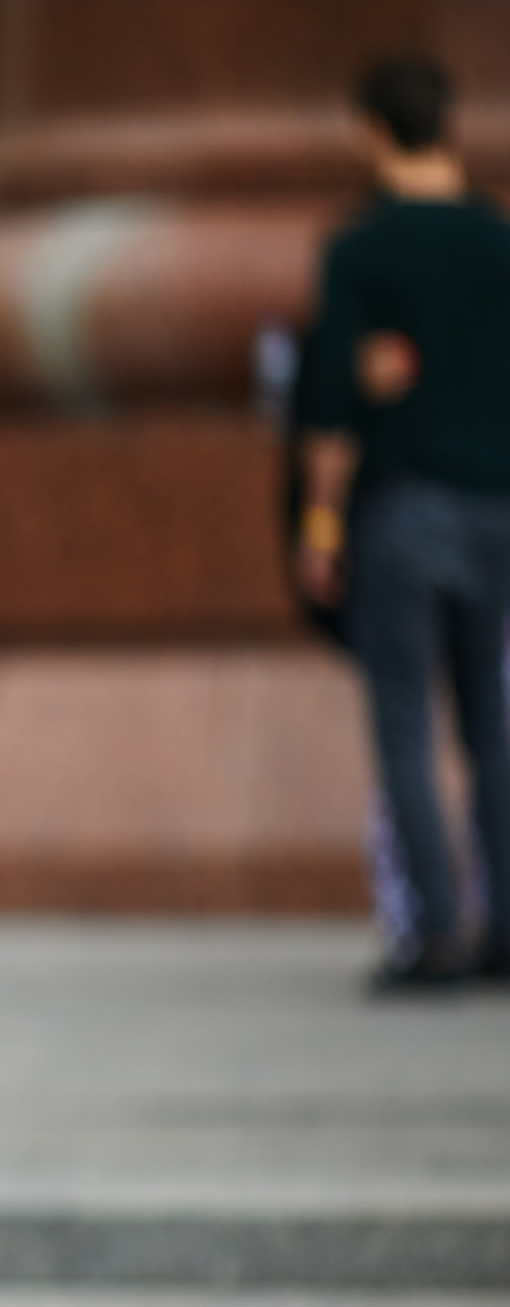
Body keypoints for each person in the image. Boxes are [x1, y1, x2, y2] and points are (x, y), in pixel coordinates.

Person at [293, 57, 510, 985]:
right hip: (498, 504)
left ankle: (432, 932)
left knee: (406, 728)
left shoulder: (362, 248)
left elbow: (331, 401)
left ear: (373, 131)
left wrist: (322, 526)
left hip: (405, 505)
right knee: (489, 722)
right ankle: (502, 926)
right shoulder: (498, 240)